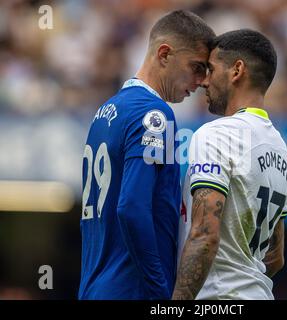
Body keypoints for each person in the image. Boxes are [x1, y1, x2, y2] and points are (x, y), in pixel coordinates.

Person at [79, 10, 215, 300]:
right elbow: (131, 207)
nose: (203, 81)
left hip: (95, 286)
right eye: (197, 67)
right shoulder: (155, 115)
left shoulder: (106, 112)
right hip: (131, 289)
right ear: (164, 54)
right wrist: (160, 290)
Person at [173, 29, 287, 300]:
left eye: (211, 70)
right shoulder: (279, 146)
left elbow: (204, 235)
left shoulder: (218, 133)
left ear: (237, 70)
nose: (204, 81)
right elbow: (276, 257)